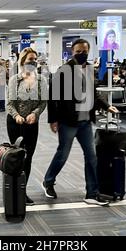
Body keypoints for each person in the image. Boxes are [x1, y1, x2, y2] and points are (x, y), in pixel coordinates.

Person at [43, 39, 119, 206]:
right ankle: (48, 181)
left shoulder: (90, 69)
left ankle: (91, 193)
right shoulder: (64, 70)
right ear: (72, 52)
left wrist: (107, 107)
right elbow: (52, 97)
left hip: (85, 122)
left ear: (88, 51)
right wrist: (53, 120)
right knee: (62, 155)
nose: (81, 54)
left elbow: (95, 93)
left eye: (84, 51)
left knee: (91, 157)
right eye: (78, 51)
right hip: (68, 121)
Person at [7, 48, 48, 206]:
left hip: (31, 123)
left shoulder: (41, 80)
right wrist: (17, 115)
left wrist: (35, 114)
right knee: (17, 158)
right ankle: (14, 189)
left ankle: (22, 191)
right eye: (30, 59)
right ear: (23, 61)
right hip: (14, 123)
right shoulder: (14, 80)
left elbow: (43, 102)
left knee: (28, 158)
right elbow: (10, 104)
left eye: (35, 59)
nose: (33, 62)